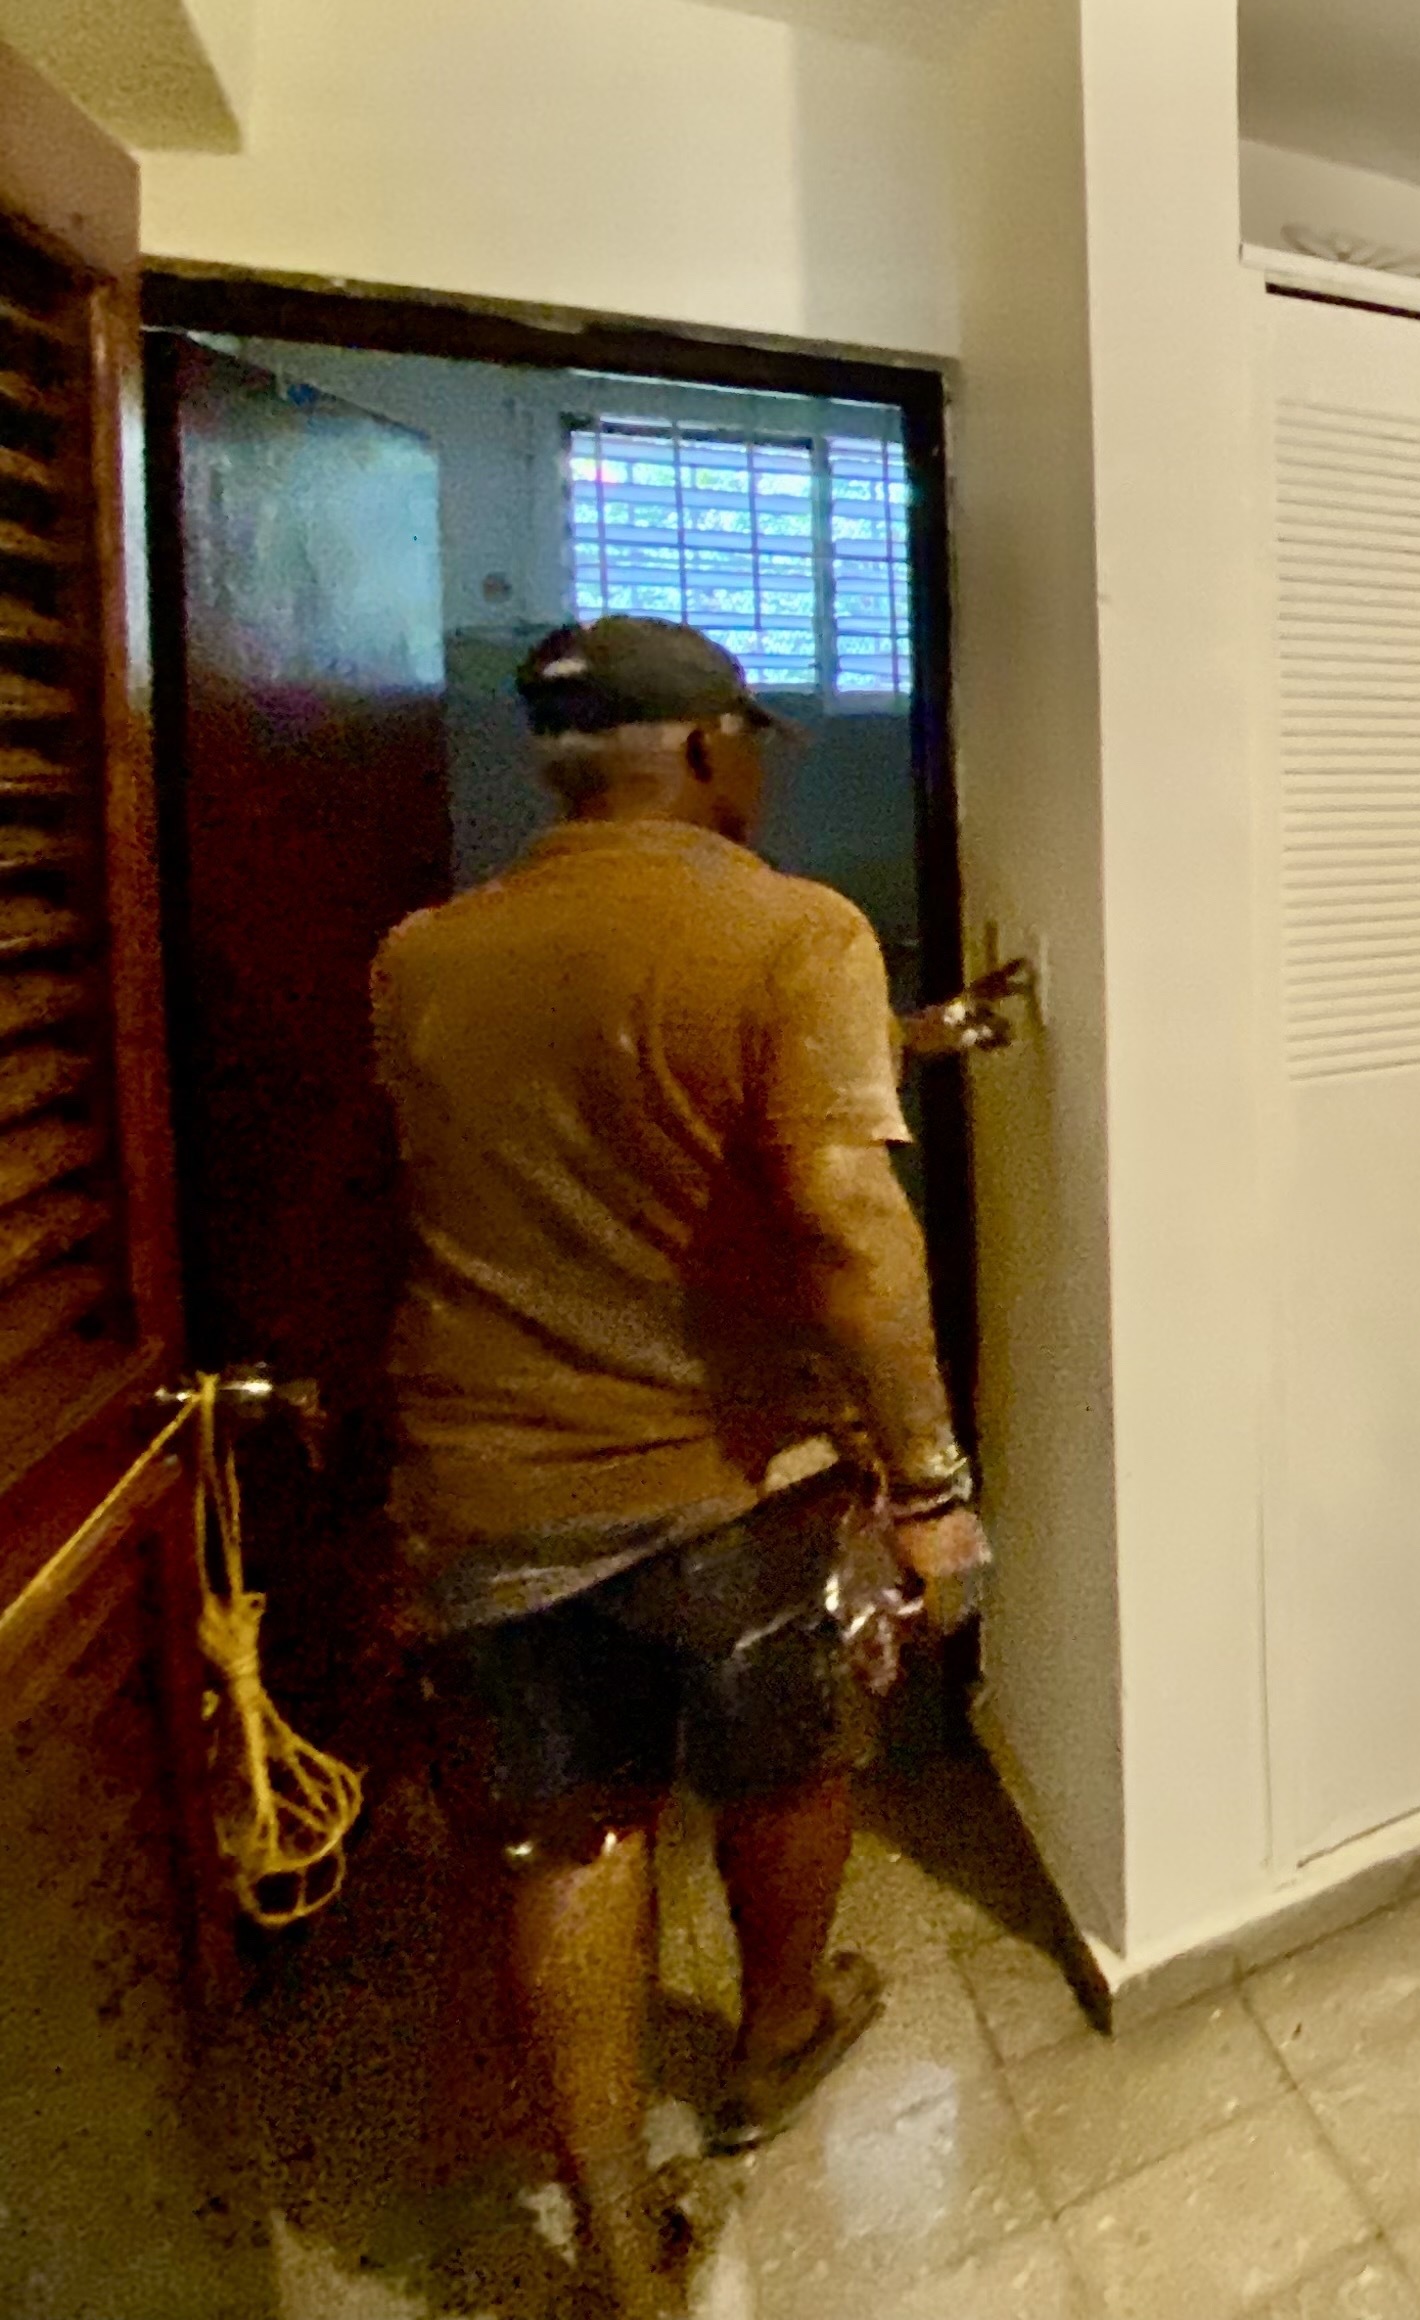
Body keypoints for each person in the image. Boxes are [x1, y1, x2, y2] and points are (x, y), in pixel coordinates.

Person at [371, 617, 997, 2318]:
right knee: (788, 1766)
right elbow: (845, 1219)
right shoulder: (796, 927)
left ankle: (614, 2235)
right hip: (735, 1470)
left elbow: (597, 1092)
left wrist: (904, 1041)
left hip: (494, 1475)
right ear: (715, 749)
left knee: (571, 1839)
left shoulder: (422, 955)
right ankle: (777, 2034)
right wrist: (930, 1487)